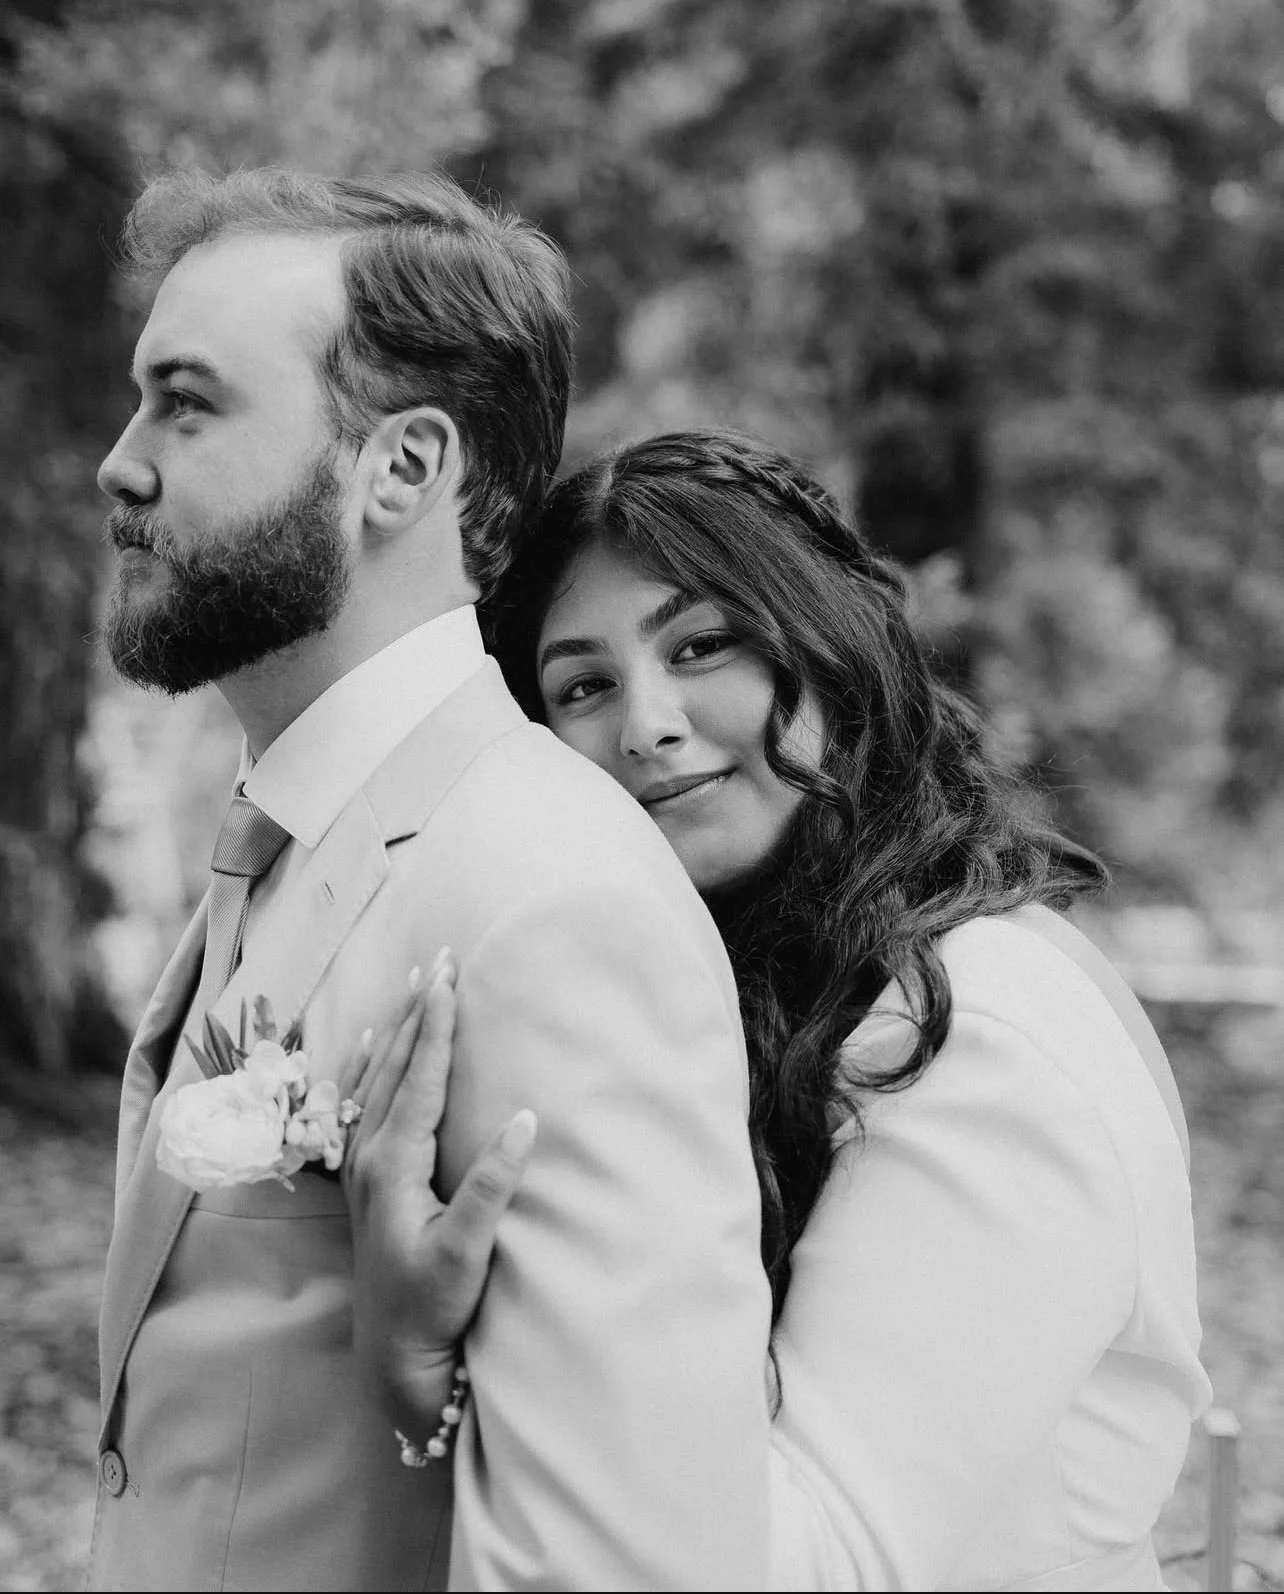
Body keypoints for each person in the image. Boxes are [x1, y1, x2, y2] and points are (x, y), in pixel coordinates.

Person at [344, 429, 1212, 1591]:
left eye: (702, 644)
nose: (645, 723)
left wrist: (419, 1353)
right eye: (583, 685)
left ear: (829, 641)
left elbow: (806, 1561)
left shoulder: (981, 1033)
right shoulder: (752, 995)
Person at [89, 177, 773, 1593]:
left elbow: (620, 1558)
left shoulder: (550, 897)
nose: (120, 461)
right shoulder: (290, 828)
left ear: (398, 470)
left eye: (188, 402)